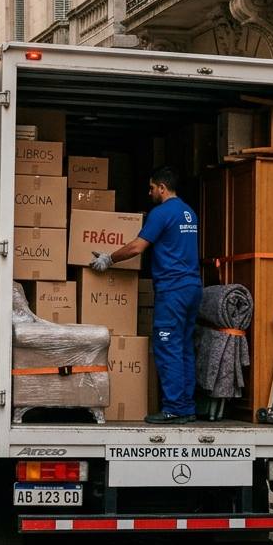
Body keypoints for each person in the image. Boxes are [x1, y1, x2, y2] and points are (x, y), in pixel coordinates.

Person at [89, 166, 202, 424]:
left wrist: (109, 258)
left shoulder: (161, 213)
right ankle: (186, 407)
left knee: (167, 346)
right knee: (184, 347)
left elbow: (136, 247)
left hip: (173, 290)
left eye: (151, 188)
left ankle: (173, 408)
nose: (149, 192)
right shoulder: (189, 212)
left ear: (162, 188)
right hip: (192, 287)